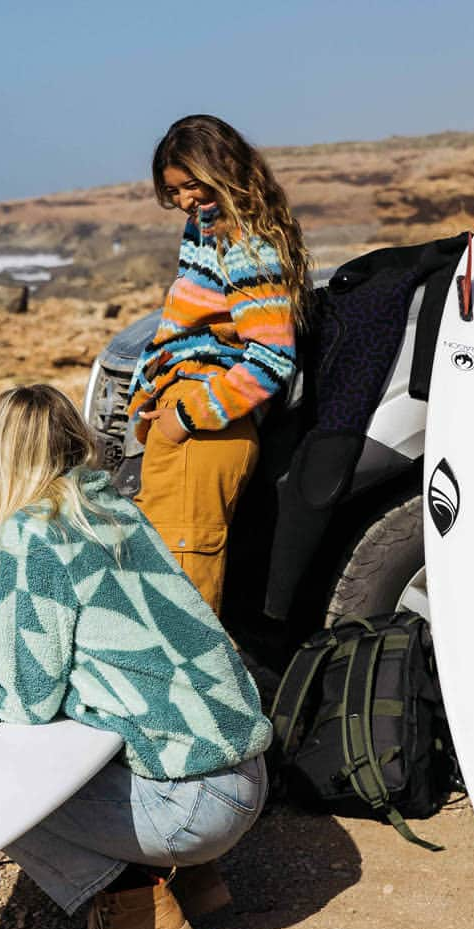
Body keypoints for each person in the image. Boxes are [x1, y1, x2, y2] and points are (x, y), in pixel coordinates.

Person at [0, 384, 271, 929]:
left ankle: (136, 912)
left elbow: (25, 697)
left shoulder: (36, 533)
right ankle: (194, 881)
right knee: (76, 718)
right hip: (242, 777)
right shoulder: (109, 507)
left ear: (1, 456)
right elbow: (45, 659)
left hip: (191, 804)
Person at [128, 115, 311, 613]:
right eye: (174, 191)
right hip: (188, 427)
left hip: (204, 430)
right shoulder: (209, 229)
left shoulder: (246, 242)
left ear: (223, 169)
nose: (185, 199)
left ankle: (198, 694)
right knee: (163, 595)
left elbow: (273, 359)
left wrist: (185, 418)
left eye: (192, 185)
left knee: (182, 608)